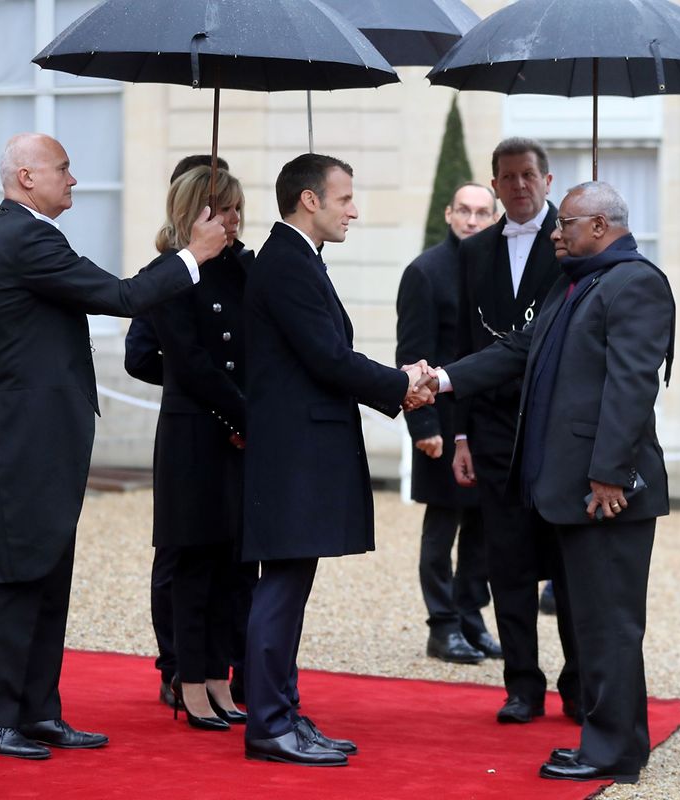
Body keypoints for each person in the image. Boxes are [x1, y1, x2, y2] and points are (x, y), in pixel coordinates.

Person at [0, 133, 226, 759]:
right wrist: (191, 255)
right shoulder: (23, 237)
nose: (74, 178)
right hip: (22, 442)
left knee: (48, 574)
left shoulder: (30, 234)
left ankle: (37, 711)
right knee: (15, 578)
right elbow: (121, 297)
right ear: (27, 177)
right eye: (63, 168)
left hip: (44, 438)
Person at [435, 181, 676, 784]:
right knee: (593, 622)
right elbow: (517, 351)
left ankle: (613, 751)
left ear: (600, 226)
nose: (554, 233)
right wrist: (440, 380)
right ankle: (606, 740)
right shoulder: (574, 284)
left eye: (565, 223)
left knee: (610, 626)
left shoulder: (636, 283)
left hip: (605, 493)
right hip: (567, 490)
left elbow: (631, 386)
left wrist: (607, 474)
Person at [241, 153, 433, 766]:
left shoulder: (299, 260)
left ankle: (285, 713)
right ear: (309, 201)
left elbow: (322, 356)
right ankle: (270, 723)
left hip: (302, 449)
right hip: (294, 455)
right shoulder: (287, 264)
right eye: (345, 197)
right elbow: (326, 357)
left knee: (291, 588)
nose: (354, 209)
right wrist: (399, 382)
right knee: (282, 589)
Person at [451, 138, 580, 724]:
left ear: (548, 181)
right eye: (509, 177)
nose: (520, 185)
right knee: (507, 563)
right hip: (494, 427)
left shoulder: (575, 243)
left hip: (556, 429)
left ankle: (578, 684)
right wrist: (458, 435)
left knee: (571, 566)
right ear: (495, 184)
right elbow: (462, 344)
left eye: (529, 175)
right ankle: (522, 685)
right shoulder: (474, 252)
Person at [142, 165, 252, 731]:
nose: (236, 219)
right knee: (193, 562)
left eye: (237, 208)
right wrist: (240, 414)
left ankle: (217, 674)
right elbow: (188, 361)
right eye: (226, 209)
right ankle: (187, 681)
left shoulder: (241, 269)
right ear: (197, 214)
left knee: (233, 563)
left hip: (237, 433)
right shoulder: (168, 274)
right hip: (195, 434)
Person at [396, 182, 500, 663]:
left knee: (483, 527)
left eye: (482, 212)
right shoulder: (424, 272)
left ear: (495, 217)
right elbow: (410, 357)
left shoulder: (499, 270)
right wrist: (424, 427)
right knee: (442, 529)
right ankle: (442, 626)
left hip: (489, 421)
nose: (473, 220)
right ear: (449, 213)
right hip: (441, 419)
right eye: (465, 210)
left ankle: (471, 617)